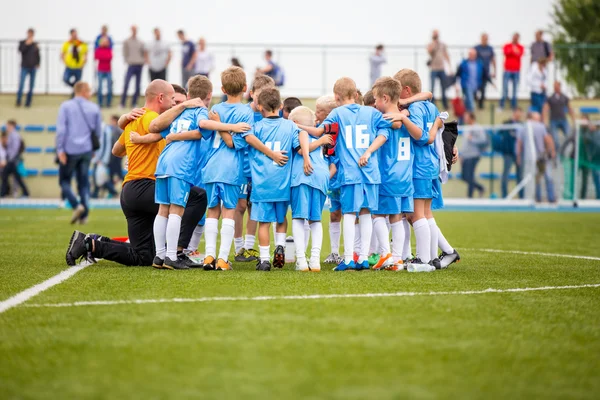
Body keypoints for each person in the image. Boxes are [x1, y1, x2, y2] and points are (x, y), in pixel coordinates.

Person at [65, 80, 208, 267]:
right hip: (147, 186)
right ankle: (179, 252)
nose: (175, 104)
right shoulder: (153, 119)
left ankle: (91, 243)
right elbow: (156, 129)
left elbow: (117, 150)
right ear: (160, 98)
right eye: (173, 99)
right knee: (197, 197)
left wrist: (127, 129)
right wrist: (186, 106)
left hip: (130, 192)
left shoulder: (134, 119)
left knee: (143, 256)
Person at [131, 76, 249, 270]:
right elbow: (203, 126)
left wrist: (139, 140)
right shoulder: (201, 111)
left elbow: (156, 133)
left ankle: (159, 256)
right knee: (176, 210)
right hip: (181, 165)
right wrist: (231, 127)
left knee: (163, 210)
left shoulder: (179, 112)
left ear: (188, 93)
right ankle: (171, 256)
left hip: (164, 163)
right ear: (209, 95)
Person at [297, 77, 397, 271]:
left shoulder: (337, 114)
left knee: (349, 214)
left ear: (336, 97)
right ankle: (363, 258)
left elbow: (318, 133)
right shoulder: (371, 113)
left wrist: (297, 126)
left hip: (350, 173)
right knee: (367, 213)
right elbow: (385, 134)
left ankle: (349, 258)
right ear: (357, 94)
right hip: (370, 172)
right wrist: (368, 152)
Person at [362, 77, 428, 270]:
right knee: (397, 217)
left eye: (375, 99)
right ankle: (398, 258)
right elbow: (421, 136)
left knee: (377, 215)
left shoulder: (385, 120)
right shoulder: (407, 119)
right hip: (405, 178)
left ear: (384, 98)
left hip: (387, 176)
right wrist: (404, 114)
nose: (374, 104)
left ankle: (386, 255)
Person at [196, 66, 255, 271]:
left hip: (211, 167)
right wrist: (226, 128)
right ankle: (221, 258)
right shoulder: (246, 112)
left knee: (212, 211)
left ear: (222, 88)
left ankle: (208, 256)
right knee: (229, 211)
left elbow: (204, 132)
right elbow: (232, 144)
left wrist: (219, 124)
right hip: (231, 169)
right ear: (246, 88)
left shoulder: (215, 110)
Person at [243, 88, 308, 271]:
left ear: (260, 107)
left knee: (263, 223)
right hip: (282, 183)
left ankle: (264, 260)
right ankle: (280, 246)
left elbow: (247, 137)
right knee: (281, 219)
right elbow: (300, 143)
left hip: (262, 184)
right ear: (280, 106)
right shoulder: (290, 126)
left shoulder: (257, 127)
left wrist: (269, 154)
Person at [233, 74, 276, 263]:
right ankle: (238, 247)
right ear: (252, 93)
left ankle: (249, 247)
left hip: (260, 169)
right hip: (241, 166)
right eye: (261, 94)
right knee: (240, 206)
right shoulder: (244, 112)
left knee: (255, 207)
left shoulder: (270, 114)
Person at [288, 106, 332, 271]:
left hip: (302, 177)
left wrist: (308, 155)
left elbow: (303, 140)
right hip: (321, 177)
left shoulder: (300, 133)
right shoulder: (319, 137)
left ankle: (301, 259)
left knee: (298, 218)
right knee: (316, 219)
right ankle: (315, 260)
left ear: (295, 123)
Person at [56, 82, 102, 224]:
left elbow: (61, 130)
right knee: (83, 183)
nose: (90, 93)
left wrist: (60, 149)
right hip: (87, 149)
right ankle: (84, 216)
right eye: (89, 90)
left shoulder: (66, 106)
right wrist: (94, 150)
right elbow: (98, 131)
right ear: (82, 91)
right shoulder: (94, 108)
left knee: (64, 180)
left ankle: (77, 206)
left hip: (70, 149)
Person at [516, 112, 556, 203]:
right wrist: (551, 151)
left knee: (536, 178)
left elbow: (519, 143)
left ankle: (538, 198)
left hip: (530, 158)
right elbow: (547, 140)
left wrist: (518, 156)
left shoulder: (522, 127)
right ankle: (551, 198)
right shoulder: (540, 126)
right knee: (547, 176)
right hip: (541, 156)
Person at [460, 112, 487, 198]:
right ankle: (480, 188)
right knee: (464, 177)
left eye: (466, 117)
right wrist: (462, 155)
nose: (464, 119)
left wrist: (473, 139)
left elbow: (483, 140)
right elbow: (464, 144)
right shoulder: (466, 128)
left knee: (470, 176)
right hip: (466, 156)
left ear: (471, 118)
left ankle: (469, 196)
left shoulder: (477, 128)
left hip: (473, 155)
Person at [543, 81, 576, 152]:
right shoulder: (550, 98)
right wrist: (545, 121)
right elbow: (545, 109)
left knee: (570, 135)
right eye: (554, 86)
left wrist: (573, 120)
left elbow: (570, 108)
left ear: (559, 86)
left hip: (563, 120)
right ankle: (558, 155)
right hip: (553, 121)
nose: (555, 87)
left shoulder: (564, 97)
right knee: (555, 140)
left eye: (557, 86)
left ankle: (568, 152)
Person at [499, 108, 524, 198]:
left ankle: (522, 197)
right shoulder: (507, 123)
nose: (519, 114)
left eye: (520, 112)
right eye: (517, 112)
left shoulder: (522, 125)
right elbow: (500, 133)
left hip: (519, 154)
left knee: (520, 176)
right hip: (508, 153)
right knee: (506, 175)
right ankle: (504, 196)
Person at [0, 120, 29, 198]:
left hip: (12, 160)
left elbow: (15, 149)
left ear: (12, 126)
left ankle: (3, 193)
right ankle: (25, 192)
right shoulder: (11, 135)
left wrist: (9, 159)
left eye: (8, 125)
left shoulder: (15, 135)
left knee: (7, 176)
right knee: (12, 176)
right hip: (11, 159)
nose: (7, 127)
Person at [91, 117, 118, 199]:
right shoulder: (103, 129)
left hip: (102, 159)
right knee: (98, 176)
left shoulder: (104, 129)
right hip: (100, 158)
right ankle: (96, 192)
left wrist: (101, 159)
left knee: (101, 177)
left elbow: (105, 146)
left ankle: (112, 191)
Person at [121, 26, 145, 108]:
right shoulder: (127, 41)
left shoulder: (140, 42)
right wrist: (127, 60)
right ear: (131, 30)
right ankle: (122, 103)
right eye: (133, 30)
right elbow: (125, 52)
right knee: (126, 83)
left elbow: (143, 53)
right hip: (131, 65)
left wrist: (142, 61)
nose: (134, 31)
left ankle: (134, 103)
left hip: (139, 65)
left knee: (137, 85)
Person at [16, 28, 40, 108]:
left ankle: (28, 102)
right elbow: (20, 50)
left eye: (32, 34)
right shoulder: (22, 42)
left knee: (31, 85)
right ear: (27, 34)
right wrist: (27, 44)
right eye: (29, 33)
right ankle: (18, 100)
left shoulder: (35, 44)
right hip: (24, 66)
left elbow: (38, 55)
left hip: (33, 67)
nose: (30, 35)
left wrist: (38, 63)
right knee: (21, 84)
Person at [427, 30, 450, 109]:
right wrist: (434, 43)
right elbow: (429, 51)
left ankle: (445, 103)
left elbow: (446, 54)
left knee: (443, 87)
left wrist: (450, 67)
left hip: (441, 68)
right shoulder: (430, 44)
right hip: (434, 68)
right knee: (432, 87)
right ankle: (432, 103)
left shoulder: (442, 44)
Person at [500, 33, 524, 110]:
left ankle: (513, 106)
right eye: (514, 37)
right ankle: (501, 105)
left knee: (515, 89)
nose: (515, 39)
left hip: (516, 71)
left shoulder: (521, 47)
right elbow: (506, 52)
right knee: (505, 88)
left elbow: (519, 54)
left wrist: (513, 51)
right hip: (507, 70)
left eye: (516, 38)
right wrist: (513, 50)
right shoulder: (507, 45)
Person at [455, 48, 483, 113]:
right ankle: (472, 117)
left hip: (475, 86)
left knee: (467, 103)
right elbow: (457, 74)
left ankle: (465, 117)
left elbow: (484, 75)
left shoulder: (479, 64)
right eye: (471, 54)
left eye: (473, 54)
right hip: (466, 85)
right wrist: (456, 85)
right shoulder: (463, 63)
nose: (472, 56)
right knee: (471, 103)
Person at [474, 33, 496, 110]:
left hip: (485, 73)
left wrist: (494, 71)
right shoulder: (476, 48)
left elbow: (493, 60)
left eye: (486, 39)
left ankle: (481, 104)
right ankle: (475, 101)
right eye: (483, 38)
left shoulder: (490, 48)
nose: (484, 40)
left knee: (483, 89)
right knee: (475, 89)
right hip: (477, 73)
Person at [94, 37, 113, 108]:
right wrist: (104, 57)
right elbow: (97, 57)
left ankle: (108, 103)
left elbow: (109, 57)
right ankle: (100, 103)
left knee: (109, 87)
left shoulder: (109, 50)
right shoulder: (98, 50)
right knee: (100, 87)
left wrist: (103, 57)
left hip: (108, 70)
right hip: (100, 70)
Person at [106, 115, 124, 185]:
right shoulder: (113, 130)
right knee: (113, 173)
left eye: (112, 120)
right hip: (113, 155)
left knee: (117, 172)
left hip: (115, 156)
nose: (110, 122)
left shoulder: (117, 130)